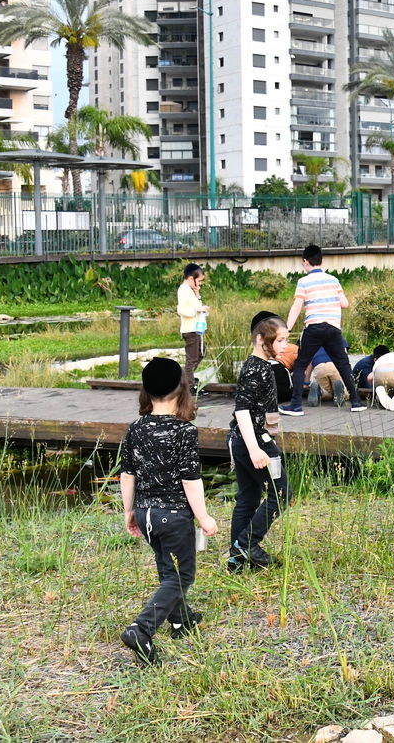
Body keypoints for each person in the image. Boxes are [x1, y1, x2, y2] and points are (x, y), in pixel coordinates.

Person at [118, 356, 216, 665]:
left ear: (146, 391)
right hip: (173, 516)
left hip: (146, 513)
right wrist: (203, 517)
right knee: (181, 576)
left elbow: (127, 475)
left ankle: (180, 619)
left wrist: (129, 511)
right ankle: (141, 629)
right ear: (182, 389)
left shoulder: (135, 428)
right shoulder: (184, 431)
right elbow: (190, 480)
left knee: (167, 568)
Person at [229, 312, 290, 572]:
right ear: (261, 340)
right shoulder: (256, 368)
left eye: (286, 339)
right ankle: (246, 544)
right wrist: (255, 448)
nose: (285, 345)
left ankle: (237, 560)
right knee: (282, 493)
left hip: (242, 439)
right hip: (253, 441)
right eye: (280, 340)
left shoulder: (262, 365)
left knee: (249, 497)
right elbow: (241, 410)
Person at [281, 243, 366, 416]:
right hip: (333, 328)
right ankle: (356, 402)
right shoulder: (333, 280)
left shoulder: (303, 282)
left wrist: (287, 329)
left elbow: (297, 306)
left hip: (313, 327)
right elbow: (344, 303)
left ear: (306, 262)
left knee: (300, 365)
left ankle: (296, 406)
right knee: (343, 365)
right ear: (322, 261)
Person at [176, 264, 210, 396]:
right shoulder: (183, 290)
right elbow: (181, 310)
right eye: (199, 280)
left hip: (197, 329)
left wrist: (197, 293)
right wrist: (197, 309)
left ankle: (186, 377)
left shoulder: (190, 290)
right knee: (192, 358)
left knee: (201, 353)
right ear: (191, 278)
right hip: (190, 330)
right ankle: (189, 385)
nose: (200, 283)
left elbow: (196, 304)